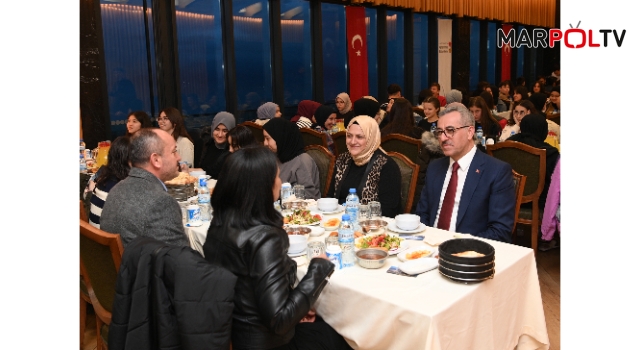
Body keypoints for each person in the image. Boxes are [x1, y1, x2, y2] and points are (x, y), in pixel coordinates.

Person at [202, 147, 349, 350]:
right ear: (262, 187)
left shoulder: (219, 223)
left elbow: (252, 292)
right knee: (346, 336)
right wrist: (318, 268)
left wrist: (296, 308)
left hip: (233, 334)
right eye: (277, 177)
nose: (280, 183)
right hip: (269, 342)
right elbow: (280, 320)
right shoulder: (265, 238)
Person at [415, 103, 515, 243]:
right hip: (428, 249)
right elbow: (422, 214)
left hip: (469, 253)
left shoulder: (496, 172)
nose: (443, 138)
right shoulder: (435, 167)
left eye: (450, 130)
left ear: (470, 132)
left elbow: (500, 231)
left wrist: (456, 247)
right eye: (439, 132)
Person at [100, 128, 189, 248]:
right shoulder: (162, 203)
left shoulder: (116, 190)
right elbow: (181, 259)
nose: (178, 157)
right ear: (156, 160)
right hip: (143, 266)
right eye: (174, 151)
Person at [328, 116, 402, 217]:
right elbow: (330, 197)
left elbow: (388, 212)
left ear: (371, 138)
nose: (352, 142)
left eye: (359, 137)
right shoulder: (342, 159)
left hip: (371, 226)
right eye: (349, 136)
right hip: (339, 222)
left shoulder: (386, 166)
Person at [507, 113, 560, 209]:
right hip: (537, 204)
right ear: (543, 130)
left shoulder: (506, 145)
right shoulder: (550, 153)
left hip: (505, 200)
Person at [263, 118, 321, 199]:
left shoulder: (302, 161)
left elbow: (309, 195)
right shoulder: (277, 157)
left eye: (267, 138)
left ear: (280, 137)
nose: (265, 143)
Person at [88, 136, 131, 228]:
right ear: (129, 160)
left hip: (96, 236)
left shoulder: (104, 179)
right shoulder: (121, 188)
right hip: (109, 240)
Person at [200, 111, 235, 179]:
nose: (220, 135)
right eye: (217, 129)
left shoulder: (233, 149)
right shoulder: (207, 144)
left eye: (225, 131)